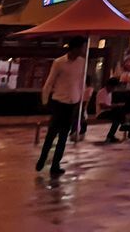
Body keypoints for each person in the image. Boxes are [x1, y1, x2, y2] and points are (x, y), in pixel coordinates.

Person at [37, 36, 87, 177]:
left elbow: (80, 81)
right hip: (59, 102)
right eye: (82, 47)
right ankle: (42, 158)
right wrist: (45, 102)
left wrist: (81, 99)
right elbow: (49, 83)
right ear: (75, 48)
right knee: (51, 134)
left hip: (72, 103)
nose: (83, 50)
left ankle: (55, 165)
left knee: (64, 137)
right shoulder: (59, 63)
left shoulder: (82, 62)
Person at [96, 76, 127, 142]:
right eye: (113, 87)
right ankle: (123, 124)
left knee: (117, 118)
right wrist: (115, 106)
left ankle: (110, 136)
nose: (114, 89)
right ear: (109, 85)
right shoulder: (102, 92)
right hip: (102, 113)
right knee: (118, 111)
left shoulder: (109, 93)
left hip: (108, 112)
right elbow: (103, 106)